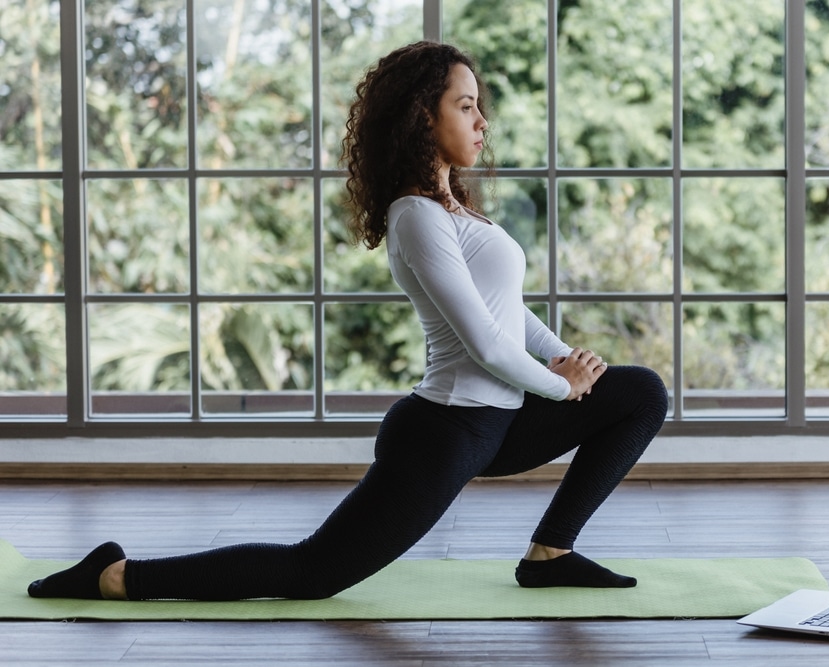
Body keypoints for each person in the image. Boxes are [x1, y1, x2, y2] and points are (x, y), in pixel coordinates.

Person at [27, 41, 669, 602]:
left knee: (639, 392)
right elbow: (481, 341)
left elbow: (507, 309)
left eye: (479, 106)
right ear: (424, 116)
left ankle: (550, 553)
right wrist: (561, 386)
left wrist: (570, 360)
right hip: (446, 432)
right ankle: (115, 575)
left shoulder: (457, 210)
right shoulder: (415, 216)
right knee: (314, 571)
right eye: (465, 105)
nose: (481, 121)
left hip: (500, 422)